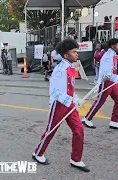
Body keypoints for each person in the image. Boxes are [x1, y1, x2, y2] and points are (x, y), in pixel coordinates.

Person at [32, 38, 89, 172]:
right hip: (59, 105)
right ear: (65, 55)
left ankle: (76, 159)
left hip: (69, 104)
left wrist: (76, 98)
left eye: (76, 52)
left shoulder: (70, 67)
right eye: (74, 52)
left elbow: (69, 88)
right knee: (51, 130)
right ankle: (38, 153)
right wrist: (70, 100)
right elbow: (54, 91)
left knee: (79, 130)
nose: (77, 54)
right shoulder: (60, 70)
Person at [81, 38, 118, 130]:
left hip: (112, 81)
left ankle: (114, 121)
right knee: (100, 101)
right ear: (112, 46)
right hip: (106, 81)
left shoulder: (113, 54)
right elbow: (106, 74)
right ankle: (87, 119)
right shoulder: (108, 56)